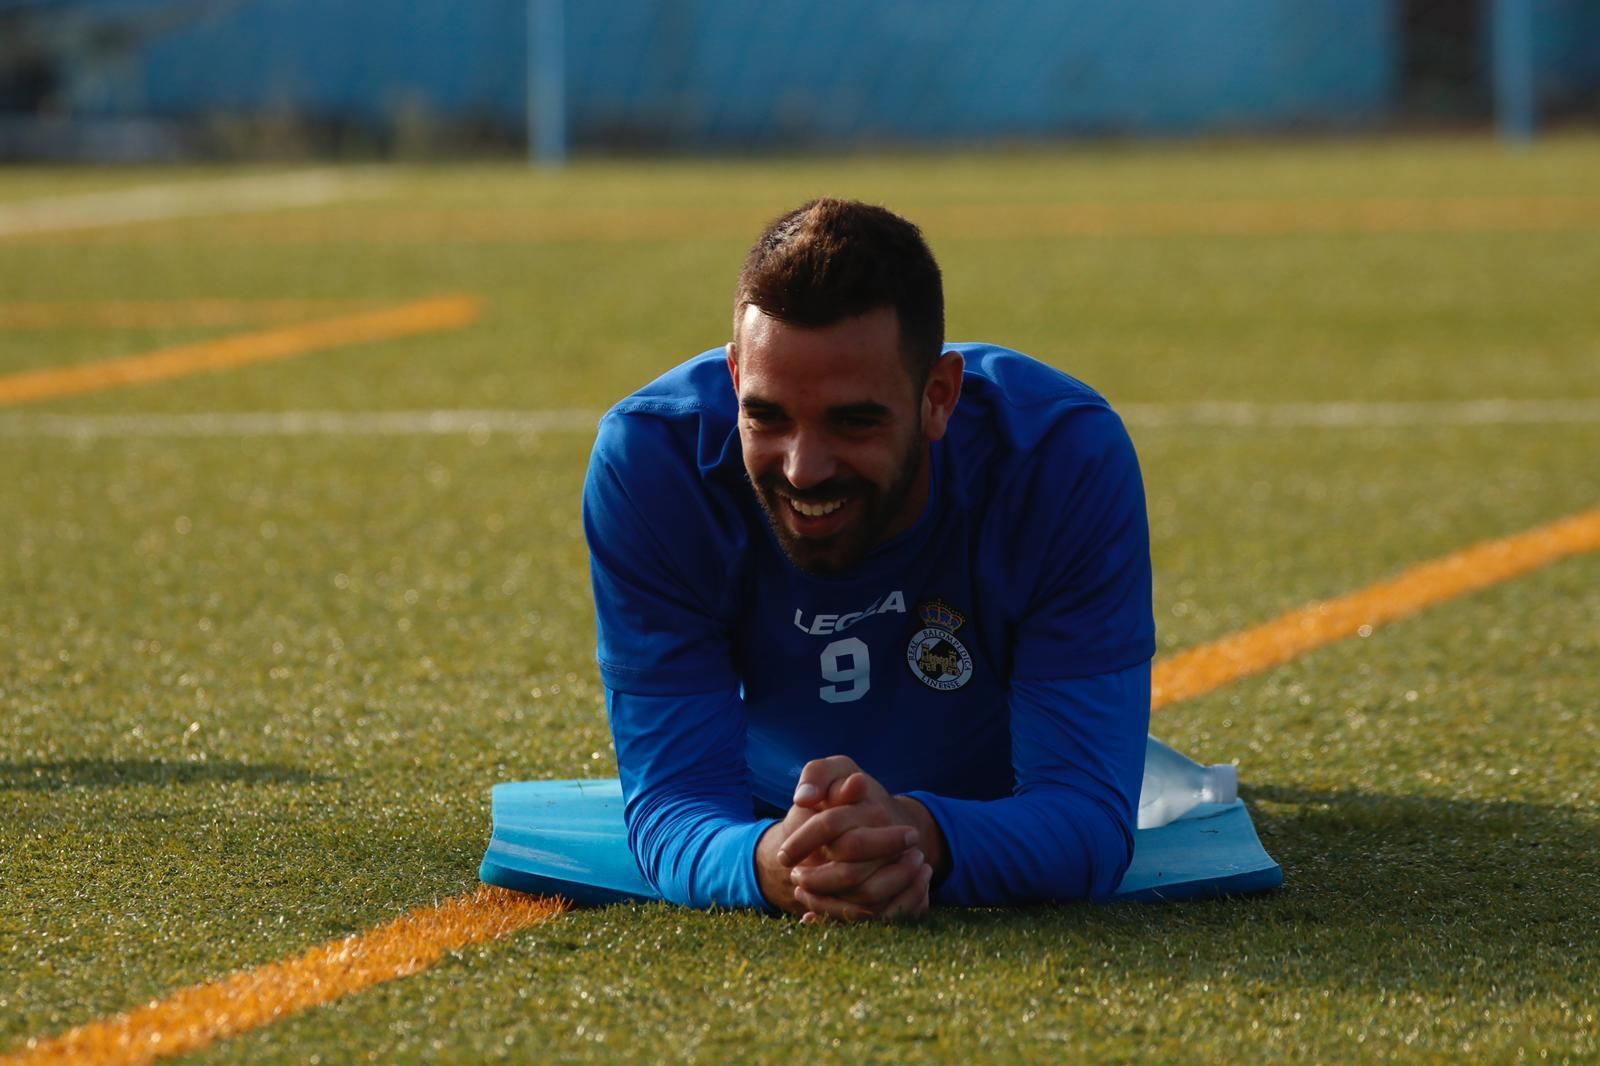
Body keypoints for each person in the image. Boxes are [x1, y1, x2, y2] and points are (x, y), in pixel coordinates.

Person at [583, 198, 1154, 922]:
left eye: (853, 421)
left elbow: (1088, 817)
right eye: (766, 416)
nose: (804, 468)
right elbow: (674, 800)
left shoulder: (1059, 458)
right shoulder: (654, 465)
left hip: (993, 789)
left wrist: (919, 838)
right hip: (774, 814)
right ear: (734, 380)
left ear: (939, 398)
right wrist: (771, 863)